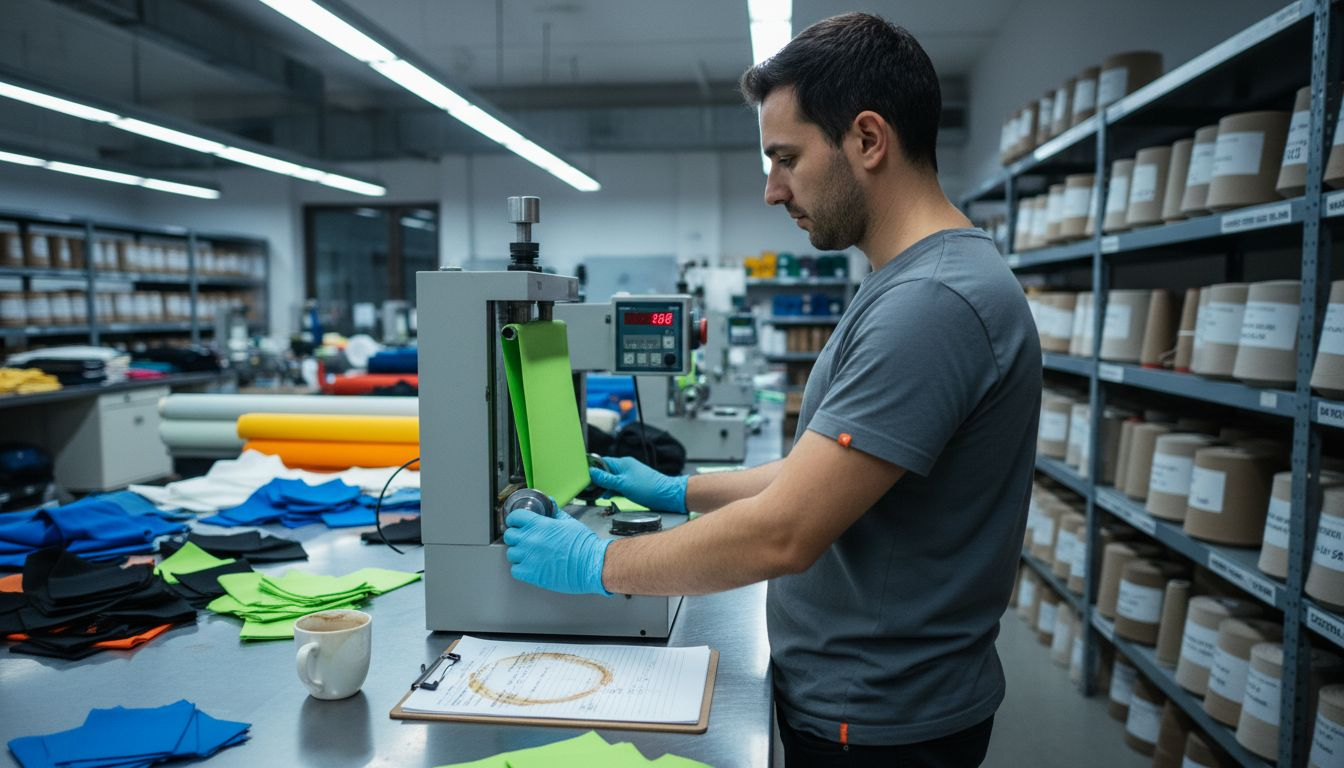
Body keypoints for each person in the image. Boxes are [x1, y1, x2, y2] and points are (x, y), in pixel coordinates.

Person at [503, 12, 1040, 768]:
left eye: (786, 157)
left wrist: (596, 565)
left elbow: (784, 532)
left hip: (880, 720)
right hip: (868, 697)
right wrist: (679, 493)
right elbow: (817, 478)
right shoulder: (908, 283)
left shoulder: (935, 304)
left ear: (867, 139)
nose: (770, 190)